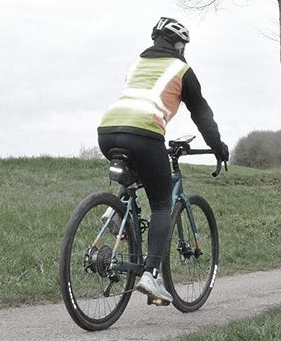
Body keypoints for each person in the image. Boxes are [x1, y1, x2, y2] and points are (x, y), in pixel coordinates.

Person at [97, 16, 228, 303]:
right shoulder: (181, 69)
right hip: (144, 133)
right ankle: (150, 276)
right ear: (178, 44)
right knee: (160, 204)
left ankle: (115, 209)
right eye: (183, 44)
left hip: (107, 132)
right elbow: (201, 112)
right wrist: (218, 146)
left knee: (137, 178)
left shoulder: (136, 65)